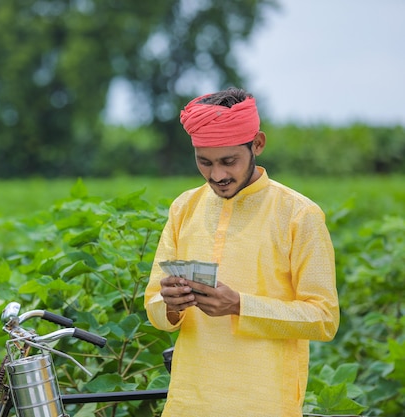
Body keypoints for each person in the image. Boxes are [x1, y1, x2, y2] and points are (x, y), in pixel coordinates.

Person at [144, 87, 340, 417]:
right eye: (204, 162)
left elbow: (324, 319)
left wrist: (239, 305)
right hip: (188, 402)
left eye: (229, 161)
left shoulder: (298, 215)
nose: (217, 175)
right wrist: (171, 306)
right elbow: (154, 306)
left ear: (258, 144)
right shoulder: (184, 208)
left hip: (263, 403)